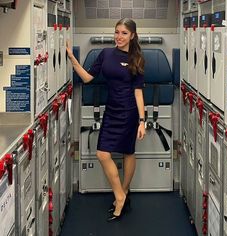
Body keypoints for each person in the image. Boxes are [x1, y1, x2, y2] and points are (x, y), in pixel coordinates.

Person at [66, 18, 145, 222]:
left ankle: (123, 193)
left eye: (124, 33)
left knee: (128, 151)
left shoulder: (137, 58)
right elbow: (88, 77)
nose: (119, 36)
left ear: (133, 36)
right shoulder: (106, 54)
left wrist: (142, 120)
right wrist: (72, 60)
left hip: (129, 112)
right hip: (111, 111)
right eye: (117, 32)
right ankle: (120, 195)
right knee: (103, 153)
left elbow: (138, 92)